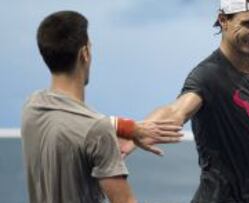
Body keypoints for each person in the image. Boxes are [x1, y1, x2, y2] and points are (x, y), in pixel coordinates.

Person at [122, 0, 249, 202]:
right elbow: (176, 111)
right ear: (223, 20)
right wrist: (134, 131)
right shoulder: (208, 76)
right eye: (248, 24)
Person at [21, 10, 183, 203]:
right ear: (85, 53)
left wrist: (128, 129)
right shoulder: (97, 131)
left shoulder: (32, 107)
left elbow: (78, 122)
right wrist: (115, 130)